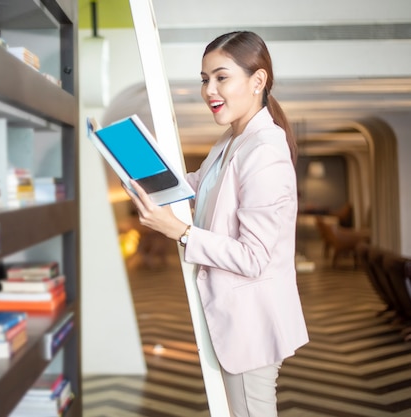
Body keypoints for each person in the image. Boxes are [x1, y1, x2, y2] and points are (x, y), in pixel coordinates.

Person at [124, 31, 309, 417]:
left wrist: (181, 231)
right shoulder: (230, 142)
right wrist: (139, 169)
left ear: (257, 81)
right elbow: (197, 186)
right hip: (233, 319)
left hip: (251, 326)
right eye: (205, 79)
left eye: (221, 77)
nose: (209, 89)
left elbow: (254, 257)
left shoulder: (265, 151)